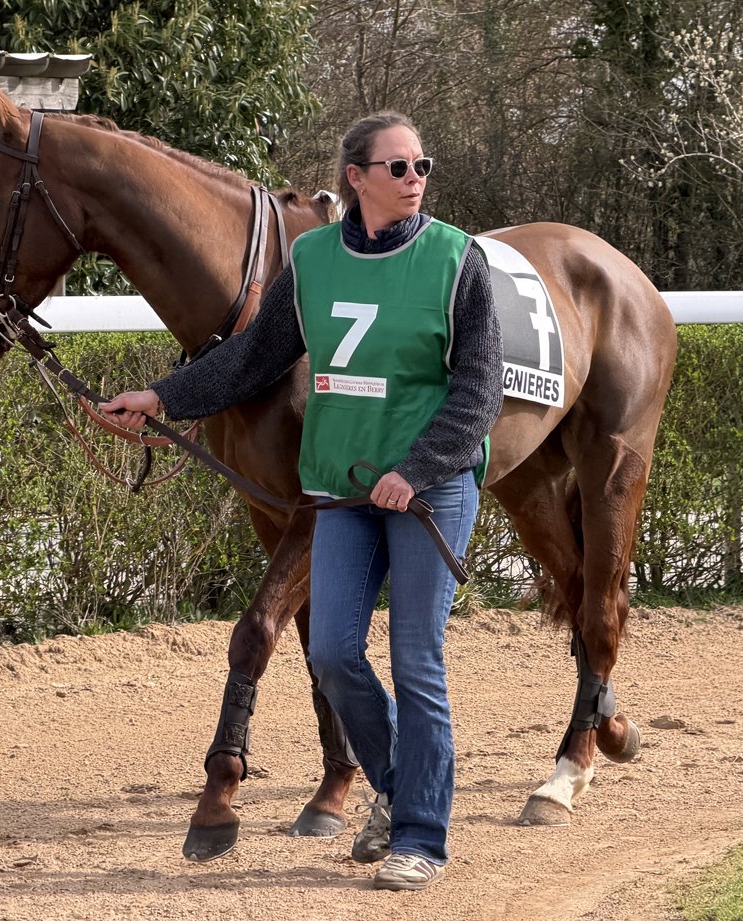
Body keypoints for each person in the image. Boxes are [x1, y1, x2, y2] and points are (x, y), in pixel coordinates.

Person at [100, 112, 503, 891]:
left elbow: (479, 391)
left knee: (416, 661)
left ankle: (420, 836)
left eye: (422, 164)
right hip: (338, 490)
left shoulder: (460, 260)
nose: (415, 178)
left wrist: (417, 468)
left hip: (429, 492)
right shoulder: (314, 259)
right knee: (332, 653)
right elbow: (252, 357)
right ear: (356, 177)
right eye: (397, 166)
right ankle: (397, 787)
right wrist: (160, 397)